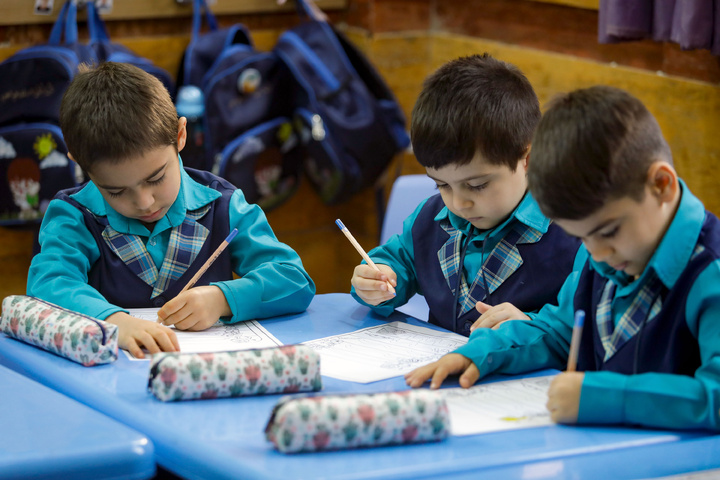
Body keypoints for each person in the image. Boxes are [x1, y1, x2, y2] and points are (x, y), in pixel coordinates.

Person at [405, 85, 720, 432]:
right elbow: (558, 332)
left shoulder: (710, 272)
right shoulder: (603, 255)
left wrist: (607, 397)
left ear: (661, 185)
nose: (596, 253)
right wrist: (481, 352)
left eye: (609, 231)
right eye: (582, 237)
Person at [27, 62, 316, 359]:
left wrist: (223, 299)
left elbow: (294, 280)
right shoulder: (74, 215)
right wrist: (114, 322)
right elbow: (48, 285)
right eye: (115, 191)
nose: (144, 202)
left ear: (180, 135)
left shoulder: (223, 204)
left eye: (155, 179)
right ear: (79, 163)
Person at [350, 54, 580, 336]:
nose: (458, 203)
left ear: (528, 159)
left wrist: (534, 327)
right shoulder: (430, 221)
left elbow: (582, 325)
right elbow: (398, 263)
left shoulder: (574, 235)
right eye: (441, 185)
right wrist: (375, 282)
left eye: (478, 185)